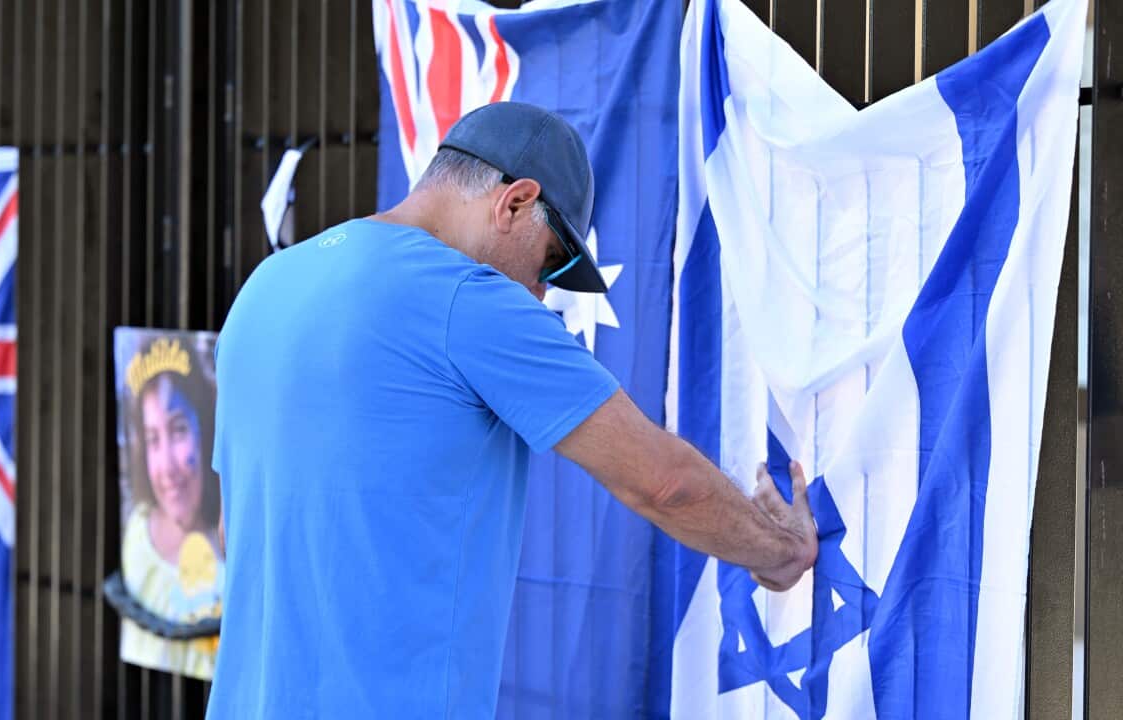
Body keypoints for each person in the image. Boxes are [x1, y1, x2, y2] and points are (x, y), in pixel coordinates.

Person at [206, 102, 818, 718]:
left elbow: (238, 530)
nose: (542, 290)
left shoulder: (263, 289)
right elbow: (661, 483)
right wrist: (780, 550)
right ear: (516, 202)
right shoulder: (465, 297)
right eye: (552, 259)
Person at [120, 335, 225, 678]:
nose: (166, 467)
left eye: (178, 430)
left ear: (205, 430)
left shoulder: (239, 537)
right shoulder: (137, 536)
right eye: (153, 439)